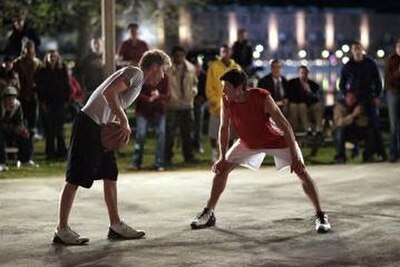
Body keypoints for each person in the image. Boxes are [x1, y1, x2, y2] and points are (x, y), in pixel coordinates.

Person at [53, 49, 171, 245]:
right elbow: (110, 93)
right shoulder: (136, 73)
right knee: (75, 177)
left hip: (98, 127)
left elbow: (112, 99)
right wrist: (124, 119)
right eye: (163, 71)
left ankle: (116, 225)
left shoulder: (136, 78)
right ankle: (61, 229)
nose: (163, 76)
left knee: (110, 173)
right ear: (156, 66)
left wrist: (116, 122)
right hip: (88, 124)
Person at [190, 69, 331, 234]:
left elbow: (286, 126)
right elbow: (224, 128)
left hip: (277, 141)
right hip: (248, 142)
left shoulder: (262, 97)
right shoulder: (227, 99)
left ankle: (321, 215)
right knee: (221, 169)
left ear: (240, 88)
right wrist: (222, 157)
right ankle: (209, 213)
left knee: (302, 171)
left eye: (227, 87)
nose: (223, 91)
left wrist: (294, 157)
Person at [339, 41, 386, 162]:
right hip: (354, 99)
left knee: (374, 125)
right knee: (352, 125)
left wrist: (377, 96)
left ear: (362, 50)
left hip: (369, 97)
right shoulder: (348, 65)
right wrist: (346, 95)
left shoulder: (370, 63)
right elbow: (342, 84)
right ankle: (356, 152)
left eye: (359, 49)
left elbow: (378, 82)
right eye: (355, 49)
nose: (358, 51)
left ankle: (381, 153)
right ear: (352, 51)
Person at [206, 44, 240, 162]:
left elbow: (240, 85)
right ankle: (215, 152)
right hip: (217, 106)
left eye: (227, 51)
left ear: (230, 53)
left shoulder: (236, 67)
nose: (225, 54)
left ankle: (228, 154)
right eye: (223, 51)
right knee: (214, 131)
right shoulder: (213, 67)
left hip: (232, 105)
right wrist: (216, 101)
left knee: (230, 131)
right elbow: (209, 87)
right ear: (220, 53)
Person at [128, 76, 170, 171]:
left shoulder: (164, 77)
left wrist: (158, 95)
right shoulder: (142, 76)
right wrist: (148, 98)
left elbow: (168, 95)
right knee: (141, 134)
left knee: (161, 133)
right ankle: (136, 162)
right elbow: (136, 93)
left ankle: (159, 162)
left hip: (158, 111)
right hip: (143, 111)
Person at [165, 45, 198, 165]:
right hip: (172, 104)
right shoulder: (167, 68)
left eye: (181, 56)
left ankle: (188, 156)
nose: (179, 58)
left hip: (187, 104)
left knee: (187, 133)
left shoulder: (190, 68)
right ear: (173, 57)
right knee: (170, 134)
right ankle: (167, 157)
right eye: (177, 56)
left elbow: (195, 83)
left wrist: (194, 92)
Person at [36, 50, 70, 160]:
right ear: (47, 58)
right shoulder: (42, 70)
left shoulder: (61, 69)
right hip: (48, 102)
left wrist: (66, 100)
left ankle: (61, 151)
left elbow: (66, 85)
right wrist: (42, 102)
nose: (53, 59)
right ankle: (50, 152)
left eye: (54, 57)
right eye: (51, 57)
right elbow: (39, 88)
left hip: (59, 102)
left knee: (59, 129)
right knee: (49, 129)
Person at [0, 86, 37, 172]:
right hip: (2, 130)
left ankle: (25, 160)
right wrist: (12, 127)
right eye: (8, 98)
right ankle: (1, 162)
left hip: (12, 131)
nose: (10, 100)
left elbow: (20, 120)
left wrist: (21, 128)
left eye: (12, 98)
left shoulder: (17, 105)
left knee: (25, 134)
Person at [13, 40, 42, 138]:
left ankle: (31, 134)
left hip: (33, 94)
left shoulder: (37, 63)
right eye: (27, 49)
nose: (29, 52)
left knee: (33, 118)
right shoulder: (17, 63)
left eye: (31, 49)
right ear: (23, 50)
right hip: (21, 94)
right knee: (23, 116)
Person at [286, 65, 324, 135]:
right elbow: (290, 96)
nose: (304, 75)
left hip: (309, 105)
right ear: (298, 73)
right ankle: (307, 129)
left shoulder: (313, 84)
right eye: (302, 73)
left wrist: (309, 91)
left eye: (305, 73)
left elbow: (316, 99)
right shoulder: (292, 83)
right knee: (302, 106)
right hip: (298, 105)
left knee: (318, 105)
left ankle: (319, 129)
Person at [333, 92, 368, 164]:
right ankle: (340, 157)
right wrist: (353, 115)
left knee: (369, 131)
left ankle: (367, 155)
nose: (352, 100)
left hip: (355, 131)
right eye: (350, 98)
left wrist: (359, 115)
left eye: (354, 98)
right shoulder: (339, 106)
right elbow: (339, 123)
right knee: (339, 132)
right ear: (346, 97)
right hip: (343, 131)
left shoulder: (358, 107)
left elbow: (364, 123)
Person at [384, 39, 400, 163]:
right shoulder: (391, 60)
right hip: (393, 94)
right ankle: (392, 154)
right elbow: (389, 79)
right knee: (394, 126)